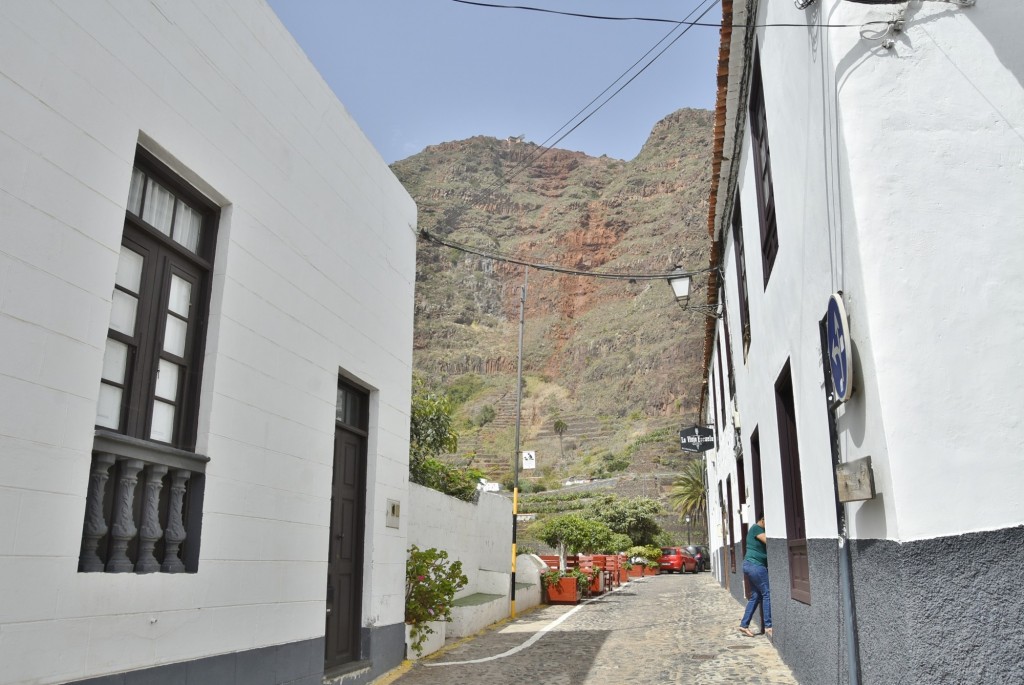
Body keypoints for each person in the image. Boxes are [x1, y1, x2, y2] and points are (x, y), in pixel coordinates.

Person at [738, 514, 771, 638]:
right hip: (755, 565)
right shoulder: (756, 528)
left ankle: (744, 624)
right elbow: (767, 540)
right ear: (762, 519)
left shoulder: (756, 529)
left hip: (750, 565)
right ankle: (769, 626)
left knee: (755, 596)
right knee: (767, 593)